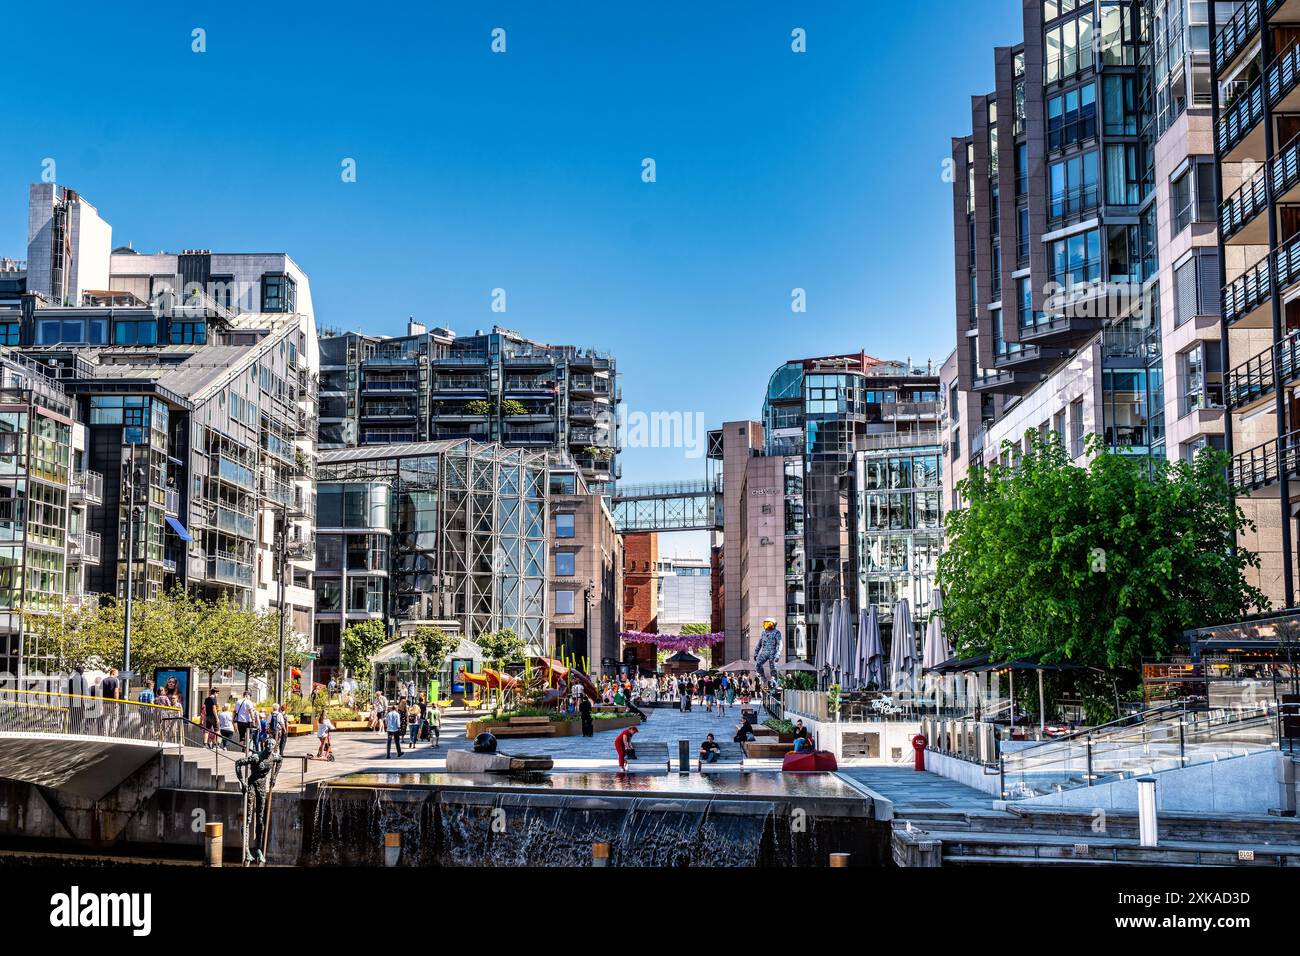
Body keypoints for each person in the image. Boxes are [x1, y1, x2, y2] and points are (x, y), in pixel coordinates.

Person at [234, 735, 281, 865]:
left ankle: (259, 849)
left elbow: (280, 761)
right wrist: (242, 782)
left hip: (262, 787)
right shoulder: (256, 757)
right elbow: (238, 763)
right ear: (264, 746)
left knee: (260, 819)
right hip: (252, 786)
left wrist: (275, 777)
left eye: (272, 746)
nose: (270, 748)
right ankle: (247, 850)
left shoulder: (274, 756)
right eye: (268, 746)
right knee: (248, 818)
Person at [753, 618, 782, 683]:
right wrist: (756, 653)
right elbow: (759, 644)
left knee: (773, 667)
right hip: (764, 652)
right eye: (766, 624)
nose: (767, 625)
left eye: (769, 624)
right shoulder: (763, 633)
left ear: (773, 624)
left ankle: (774, 682)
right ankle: (763, 678)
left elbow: (779, 644)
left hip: (773, 652)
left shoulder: (776, 632)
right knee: (758, 664)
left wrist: (778, 654)